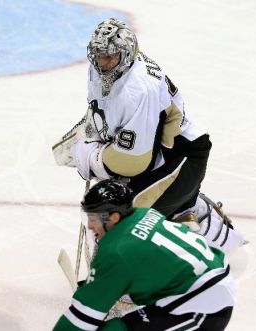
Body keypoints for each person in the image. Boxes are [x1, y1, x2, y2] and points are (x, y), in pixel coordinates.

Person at [52, 18, 245, 252]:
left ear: (126, 54)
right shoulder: (102, 69)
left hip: (181, 158)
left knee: (123, 217)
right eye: (99, 55)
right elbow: (101, 108)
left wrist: (93, 157)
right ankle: (186, 208)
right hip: (159, 155)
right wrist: (88, 135)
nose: (103, 62)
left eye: (110, 56)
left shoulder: (139, 89)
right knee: (116, 204)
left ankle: (190, 214)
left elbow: (134, 162)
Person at [53, 179, 235, 331]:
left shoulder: (117, 250)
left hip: (202, 306)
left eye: (93, 219)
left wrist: (96, 292)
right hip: (210, 279)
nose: (90, 226)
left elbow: (80, 320)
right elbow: (146, 263)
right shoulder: (145, 213)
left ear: (114, 217)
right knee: (117, 327)